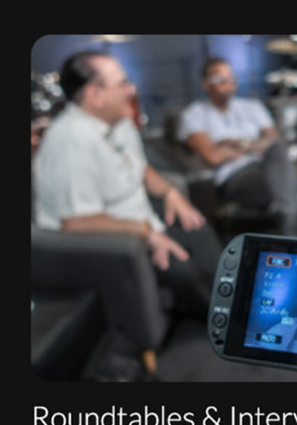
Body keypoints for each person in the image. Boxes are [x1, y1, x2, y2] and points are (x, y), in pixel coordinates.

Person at [33, 51, 222, 341]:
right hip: (110, 238)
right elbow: (74, 222)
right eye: (122, 84)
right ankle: (222, 327)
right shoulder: (68, 141)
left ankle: (235, 303)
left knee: (201, 233)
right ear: (94, 94)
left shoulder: (119, 121)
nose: (131, 90)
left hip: (143, 217)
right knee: (184, 268)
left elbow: (140, 168)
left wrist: (172, 193)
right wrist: (146, 232)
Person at [177, 57, 297, 236]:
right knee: (287, 180)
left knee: (278, 153)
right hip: (235, 177)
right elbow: (212, 157)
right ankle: (293, 238)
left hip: (267, 166)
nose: (228, 83)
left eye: (231, 78)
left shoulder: (252, 106)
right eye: (220, 79)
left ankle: (289, 231)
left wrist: (232, 143)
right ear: (206, 84)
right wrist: (256, 144)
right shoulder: (194, 114)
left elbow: (274, 141)